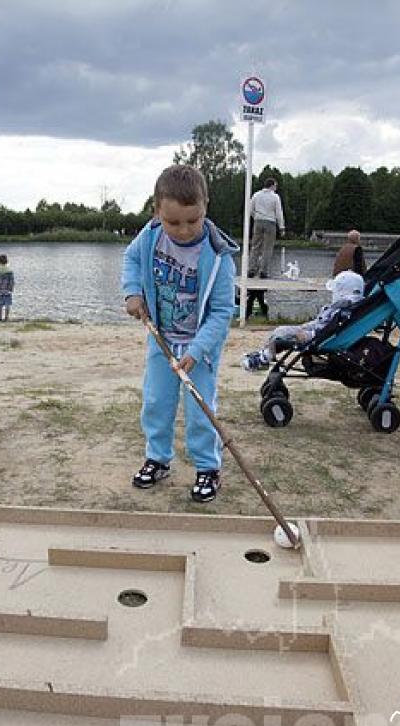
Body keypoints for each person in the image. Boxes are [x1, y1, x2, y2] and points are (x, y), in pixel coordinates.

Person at [121, 164, 236, 503]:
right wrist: (132, 293)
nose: (184, 230)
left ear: (205, 207)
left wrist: (197, 350)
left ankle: (207, 467)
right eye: (173, 222)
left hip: (199, 348)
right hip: (161, 338)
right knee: (156, 401)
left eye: (193, 220)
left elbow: (221, 312)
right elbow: (130, 260)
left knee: (201, 409)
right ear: (157, 212)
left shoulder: (219, 257)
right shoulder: (150, 235)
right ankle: (158, 459)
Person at [240, 270, 364, 370]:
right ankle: (265, 354)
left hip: (315, 337)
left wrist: (310, 334)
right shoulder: (350, 309)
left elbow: (328, 328)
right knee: (282, 333)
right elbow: (325, 324)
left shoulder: (343, 309)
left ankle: (263, 358)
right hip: (318, 332)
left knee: (281, 333)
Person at [245, 177, 286, 318]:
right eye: (276, 185)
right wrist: (281, 227)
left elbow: (250, 209)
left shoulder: (256, 195)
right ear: (272, 186)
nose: (277, 188)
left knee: (255, 247)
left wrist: (256, 217)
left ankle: (251, 269)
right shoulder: (275, 197)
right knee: (267, 248)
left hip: (258, 221)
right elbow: (279, 212)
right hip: (270, 222)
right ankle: (263, 271)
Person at [0, 253, 15, 322]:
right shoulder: (10, 270)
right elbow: (12, 280)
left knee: (0, 305)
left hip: (0, 290)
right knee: (7, 304)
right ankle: (6, 318)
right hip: (7, 290)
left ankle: (0, 318)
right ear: (7, 261)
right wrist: (11, 289)